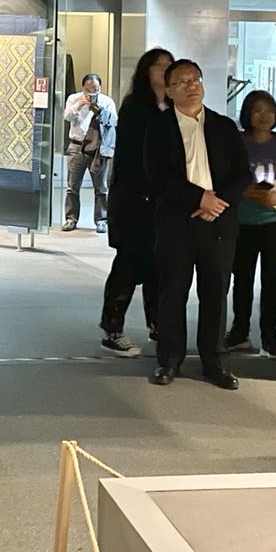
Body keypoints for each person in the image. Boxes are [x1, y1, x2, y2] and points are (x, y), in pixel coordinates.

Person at [145, 59, 251, 390]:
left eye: (196, 79)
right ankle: (169, 360)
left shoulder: (224, 126)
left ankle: (215, 362)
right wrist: (198, 198)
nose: (191, 86)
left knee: (216, 293)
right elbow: (156, 176)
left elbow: (242, 174)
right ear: (169, 90)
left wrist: (217, 203)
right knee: (173, 292)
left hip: (218, 222)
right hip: (177, 222)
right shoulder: (158, 127)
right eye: (182, 81)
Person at [98, 48, 174, 357]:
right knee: (129, 264)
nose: (164, 71)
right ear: (146, 71)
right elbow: (132, 159)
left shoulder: (173, 107)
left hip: (162, 201)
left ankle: (158, 324)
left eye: (169, 66)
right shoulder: (134, 107)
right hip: (134, 200)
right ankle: (112, 328)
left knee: (160, 265)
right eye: (159, 66)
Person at [228, 90, 276, 359]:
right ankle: (239, 332)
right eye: (257, 110)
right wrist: (245, 191)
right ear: (247, 114)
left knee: (273, 281)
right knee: (242, 279)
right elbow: (226, 177)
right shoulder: (237, 143)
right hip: (243, 222)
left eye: (269, 110)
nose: (264, 116)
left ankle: (270, 337)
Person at [61, 73, 117, 232]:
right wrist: (80, 104)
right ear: (83, 88)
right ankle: (71, 219)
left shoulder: (107, 101)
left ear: (100, 88)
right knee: (72, 186)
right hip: (77, 146)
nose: (92, 93)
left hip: (97, 148)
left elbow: (114, 121)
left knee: (101, 188)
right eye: (88, 90)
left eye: (96, 89)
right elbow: (67, 116)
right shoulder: (74, 98)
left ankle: (101, 220)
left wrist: (101, 112)